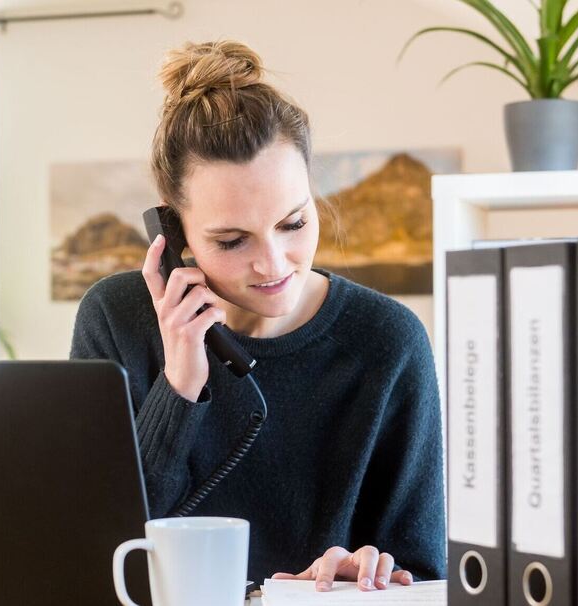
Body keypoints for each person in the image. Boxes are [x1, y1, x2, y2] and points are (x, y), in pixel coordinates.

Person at [70, 40, 444, 591]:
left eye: (293, 224)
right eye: (231, 240)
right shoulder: (115, 318)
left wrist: (366, 573)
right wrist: (179, 385)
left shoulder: (387, 341)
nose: (273, 264)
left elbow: (427, 572)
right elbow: (97, 553)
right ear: (174, 234)